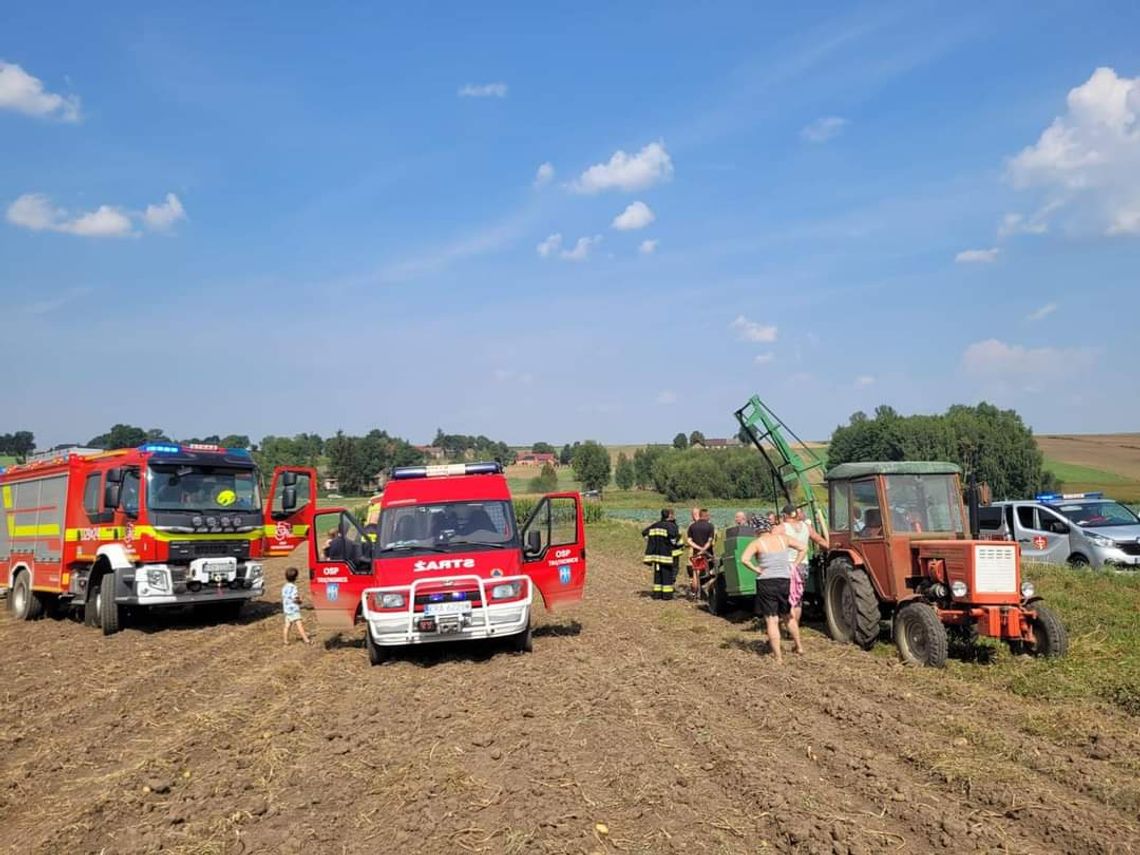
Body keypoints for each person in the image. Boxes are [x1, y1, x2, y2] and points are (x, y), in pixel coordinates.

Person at [740, 517, 803, 664]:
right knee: (788, 616)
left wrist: (756, 569)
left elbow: (744, 559)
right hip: (784, 580)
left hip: (766, 582)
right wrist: (794, 564)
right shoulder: (783, 539)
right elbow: (803, 547)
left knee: (772, 619)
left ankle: (778, 657)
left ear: (756, 530)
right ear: (769, 527)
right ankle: (799, 646)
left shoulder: (756, 543)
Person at [780, 504, 828, 627]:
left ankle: (790, 627)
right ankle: (795, 625)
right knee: (798, 599)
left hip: (787, 565)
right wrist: (831, 548)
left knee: (787, 597)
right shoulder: (806, 527)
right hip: (803, 565)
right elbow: (821, 541)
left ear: (785, 515)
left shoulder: (782, 528)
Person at [642, 509, 681, 600]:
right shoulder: (671, 526)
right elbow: (674, 541)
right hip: (666, 556)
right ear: (669, 516)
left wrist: (651, 541)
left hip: (656, 556)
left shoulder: (655, 525)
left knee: (658, 575)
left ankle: (657, 594)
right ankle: (667, 596)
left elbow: (644, 533)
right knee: (667, 575)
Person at [686, 508, 716, 599]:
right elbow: (710, 541)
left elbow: (689, 541)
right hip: (708, 554)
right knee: (711, 573)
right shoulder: (710, 526)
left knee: (696, 574)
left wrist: (698, 549)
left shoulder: (692, 526)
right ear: (706, 516)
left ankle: (694, 593)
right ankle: (708, 594)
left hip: (696, 554)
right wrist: (703, 549)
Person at [281, 566, 313, 645]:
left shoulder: (284, 587)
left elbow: (284, 597)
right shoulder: (294, 587)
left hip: (287, 609)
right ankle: (306, 640)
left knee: (287, 625)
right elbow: (294, 598)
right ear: (296, 577)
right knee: (299, 625)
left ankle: (285, 640)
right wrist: (300, 601)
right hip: (293, 609)